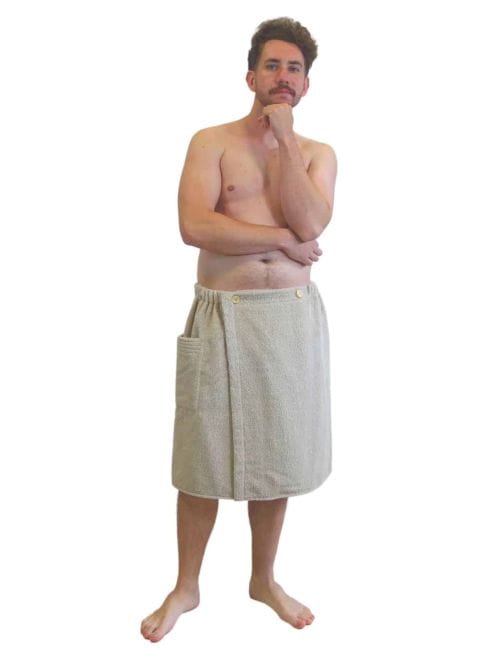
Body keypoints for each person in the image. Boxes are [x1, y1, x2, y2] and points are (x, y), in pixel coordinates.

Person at [141, 16, 337, 641]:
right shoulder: (212, 142)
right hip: (222, 316)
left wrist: (284, 141)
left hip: (289, 322)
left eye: (295, 69)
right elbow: (195, 226)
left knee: (277, 456)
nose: (284, 76)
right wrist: (283, 238)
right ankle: (187, 585)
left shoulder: (317, 154)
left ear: (306, 84)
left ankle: (263, 579)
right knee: (201, 455)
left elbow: (312, 223)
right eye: (272, 65)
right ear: (251, 76)